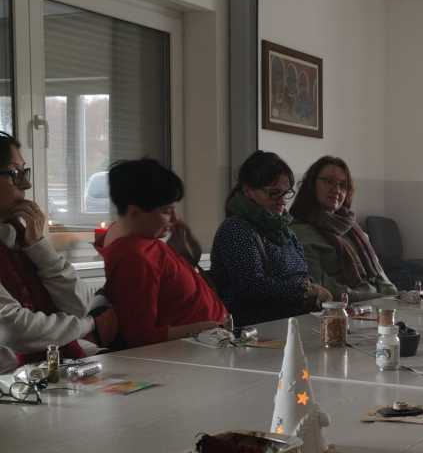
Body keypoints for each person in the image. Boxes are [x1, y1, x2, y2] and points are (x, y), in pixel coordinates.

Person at [0, 132, 117, 368]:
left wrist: (39, 246)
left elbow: (79, 305)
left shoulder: (16, 236)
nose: (27, 185)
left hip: (48, 372)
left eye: (24, 172)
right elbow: (17, 331)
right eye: (14, 173)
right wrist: (89, 324)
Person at [98, 158, 228, 347]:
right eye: (166, 211)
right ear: (134, 212)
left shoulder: (147, 242)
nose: (175, 218)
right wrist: (203, 329)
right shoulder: (134, 257)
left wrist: (184, 257)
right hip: (193, 349)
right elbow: (140, 336)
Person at [211, 151, 330, 328]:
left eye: (286, 193)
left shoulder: (285, 230)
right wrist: (305, 290)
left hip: (291, 322)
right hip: (256, 329)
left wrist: (314, 292)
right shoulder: (236, 229)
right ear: (248, 191)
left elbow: (302, 275)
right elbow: (252, 287)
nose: (282, 201)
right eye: (274, 193)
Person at [288, 156, 397, 302]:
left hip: (380, 304)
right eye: (328, 181)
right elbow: (324, 289)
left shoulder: (352, 227)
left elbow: (381, 277)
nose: (336, 190)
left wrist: (397, 299)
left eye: (342, 185)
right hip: (345, 308)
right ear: (311, 185)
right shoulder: (299, 232)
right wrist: (379, 299)